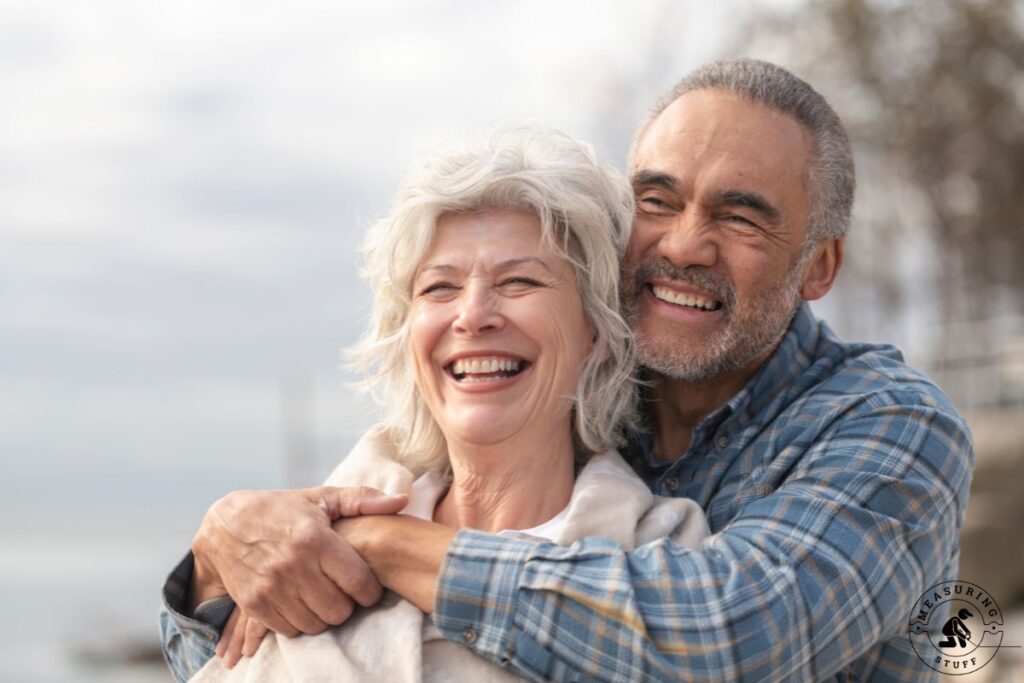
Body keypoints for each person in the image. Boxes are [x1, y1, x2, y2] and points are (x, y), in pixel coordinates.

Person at [163, 58, 974, 681]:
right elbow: (229, 639)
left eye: (739, 216)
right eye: (657, 201)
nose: (684, 245)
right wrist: (217, 554)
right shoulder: (562, 396)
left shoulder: (892, 424)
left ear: (819, 265)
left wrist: (382, 545)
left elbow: (735, 631)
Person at [161, 124, 710, 682]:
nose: (473, 315)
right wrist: (211, 561)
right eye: (439, 288)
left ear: (595, 327)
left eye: (519, 281)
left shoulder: (661, 556)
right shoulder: (295, 548)